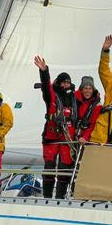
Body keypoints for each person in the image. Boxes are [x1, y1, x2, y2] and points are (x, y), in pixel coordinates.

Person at [35, 56, 78, 198]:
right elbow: (46, 86)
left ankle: (59, 198)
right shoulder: (51, 96)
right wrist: (44, 71)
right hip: (51, 138)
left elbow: (89, 95)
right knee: (49, 168)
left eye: (68, 82)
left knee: (65, 170)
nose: (65, 85)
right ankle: (46, 197)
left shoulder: (75, 99)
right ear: (58, 83)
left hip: (68, 140)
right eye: (63, 82)